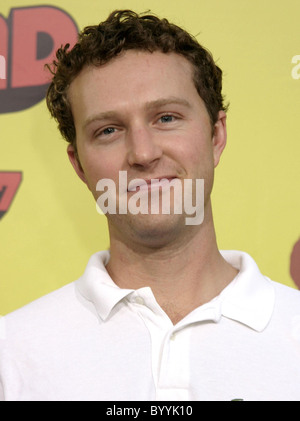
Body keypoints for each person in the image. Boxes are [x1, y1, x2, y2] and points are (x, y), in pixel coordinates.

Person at [0, 9, 299, 402]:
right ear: (79, 165)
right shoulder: (12, 353)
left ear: (216, 135)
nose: (142, 153)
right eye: (108, 130)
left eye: (166, 118)